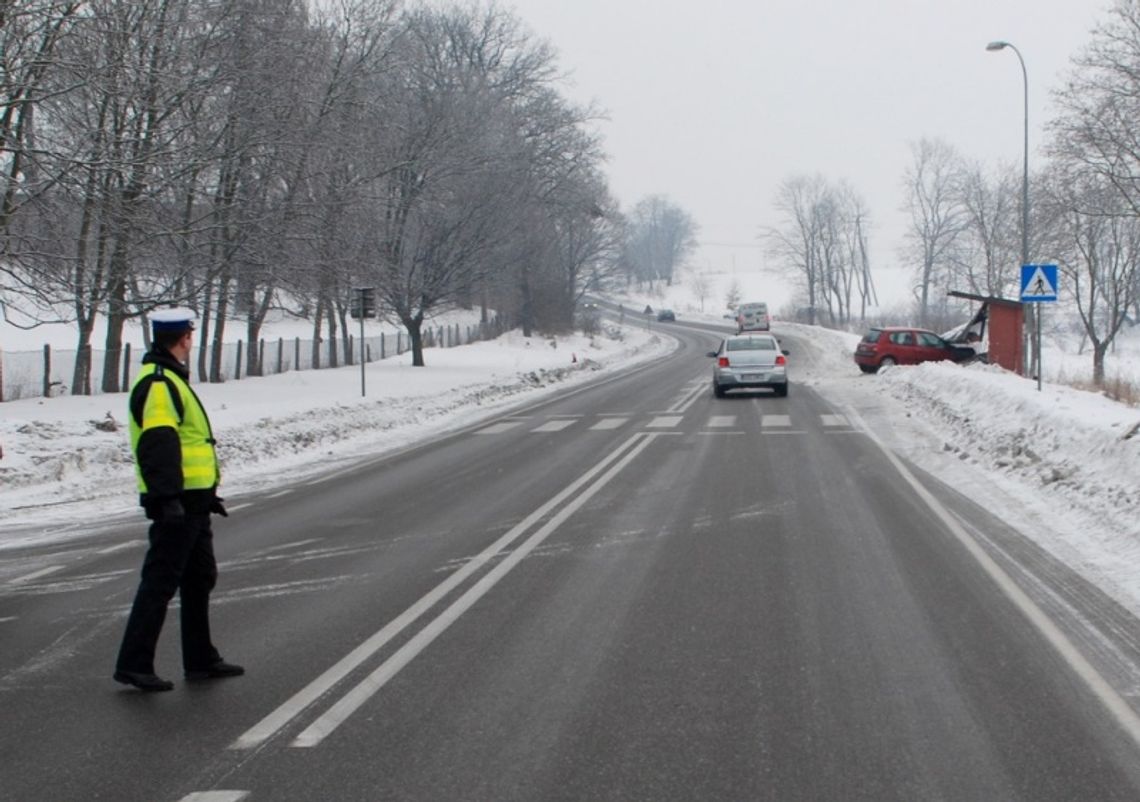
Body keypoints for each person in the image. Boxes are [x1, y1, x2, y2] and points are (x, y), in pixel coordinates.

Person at [114, 308, 243, 692]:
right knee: (160, 581)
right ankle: (134, 664)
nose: (191, 340)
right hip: (178, 504)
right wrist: (168, 499)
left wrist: (206, 495)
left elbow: (188, 445)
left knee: (199, 577)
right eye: (190, 335)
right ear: (184, 338)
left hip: (195, 501)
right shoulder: (158, 383)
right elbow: (159, 443)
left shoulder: (171, 378)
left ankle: (200, 658)